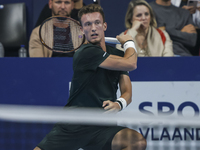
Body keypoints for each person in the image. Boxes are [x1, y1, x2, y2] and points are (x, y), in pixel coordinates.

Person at [33, 4, 147, 150]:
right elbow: (131, 63)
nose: (93, 28)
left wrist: (119, 104)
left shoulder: (117, 55)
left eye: (97, 23)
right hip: (74, 125)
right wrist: (130, 43)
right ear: (81, 30)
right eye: (87, 24)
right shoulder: (85, 53)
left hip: (102, 127)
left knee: (136, 142)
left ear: (104, 26)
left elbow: (128, 93)